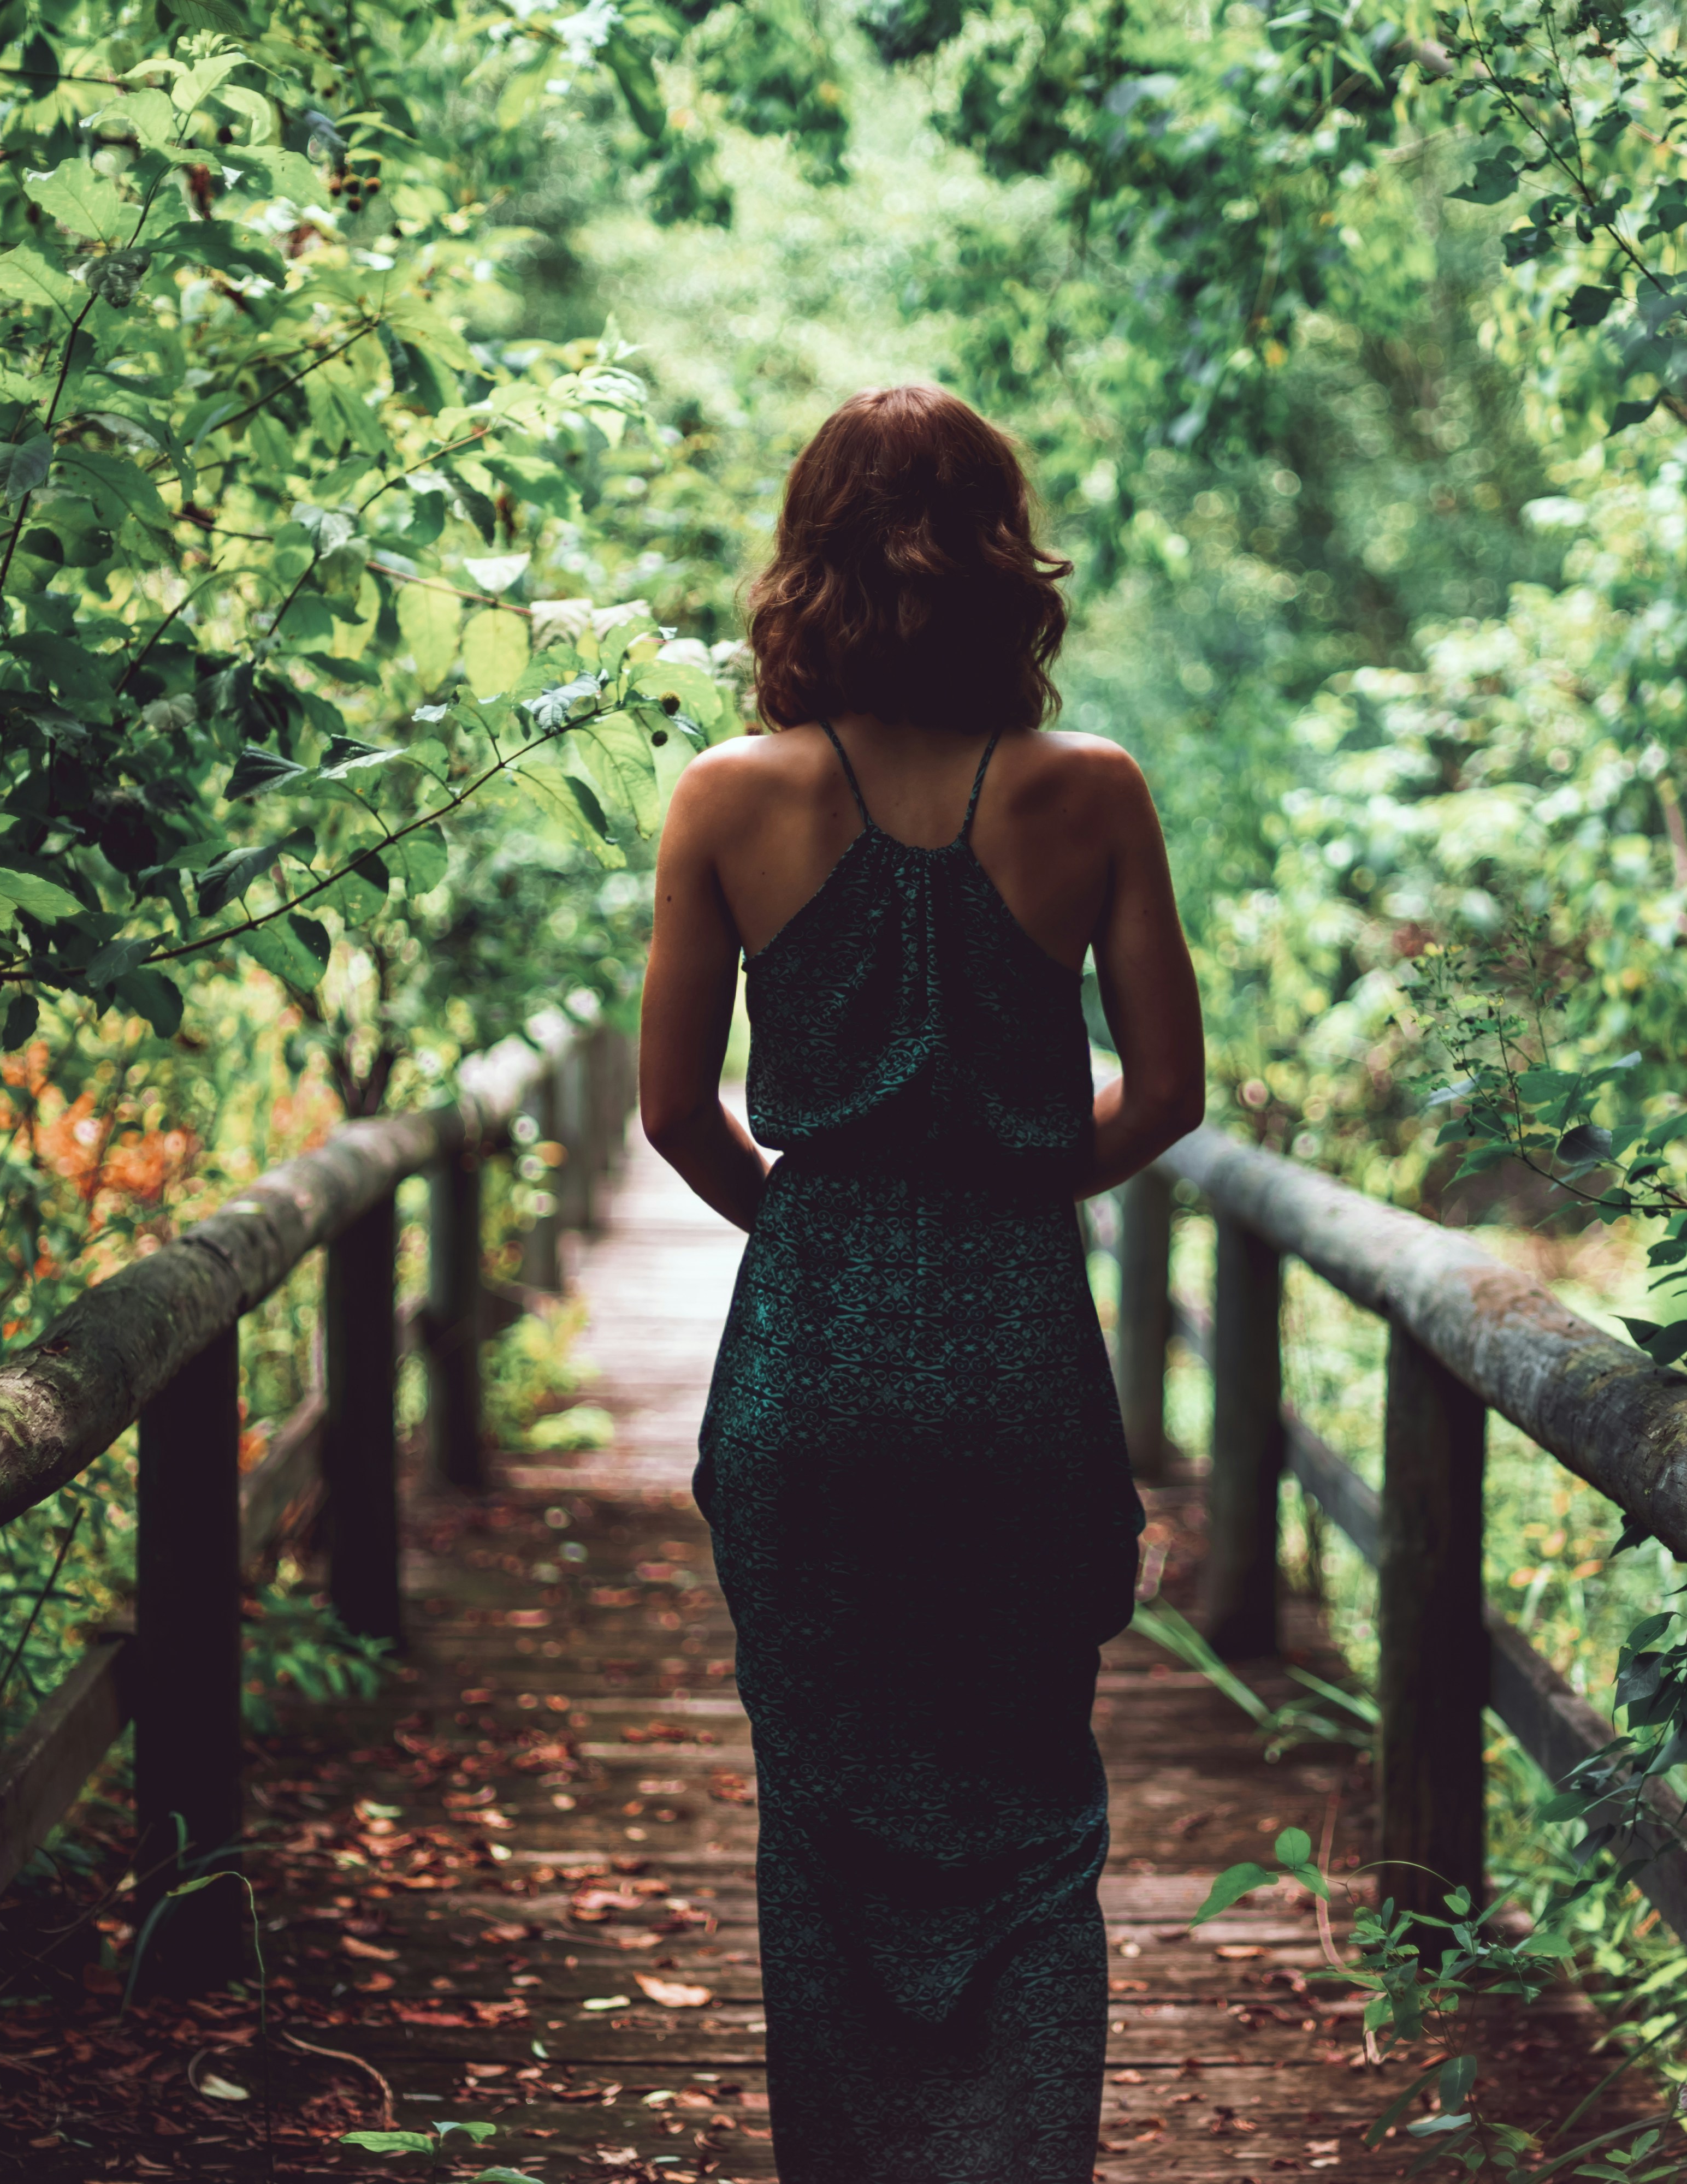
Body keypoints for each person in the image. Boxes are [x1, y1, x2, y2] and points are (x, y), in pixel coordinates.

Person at [637, 384, 1206, 2182]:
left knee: (823, 1807)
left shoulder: (727, 801)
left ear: (805, 559)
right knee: (1035, 1802)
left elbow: (672, 1114)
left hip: (811, 1359)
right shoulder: (1090, 793)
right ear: (1004, 568)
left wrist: (817, 1233)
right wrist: (1016, 1189)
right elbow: (1172, 1092)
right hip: (1021, 1345)